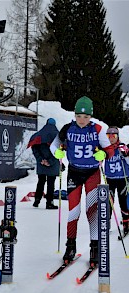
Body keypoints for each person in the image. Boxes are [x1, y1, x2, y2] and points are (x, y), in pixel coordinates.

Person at [50, 96, 114, 266]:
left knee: (91, 211)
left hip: (92, 173)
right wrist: (57, 153)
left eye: (86, 117)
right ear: (75, 114)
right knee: (74, 211)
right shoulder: (67, 129)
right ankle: (70, 246)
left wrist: (104, 154)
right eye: (79, 116)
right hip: (74, 173)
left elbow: (109, 149)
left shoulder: (98, 129)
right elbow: (53, 145)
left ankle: (95, 247)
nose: (82, 120)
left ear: (91, 116)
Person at [27, 118, 59, 209]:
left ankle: (37, 200)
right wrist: (50, 161)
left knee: (40, 182)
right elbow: (58, 151)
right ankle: (49, 202)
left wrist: (41, 159)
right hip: (52, 165)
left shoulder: (39, 135)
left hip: (41, 164)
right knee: (51, 183)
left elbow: (34, 148)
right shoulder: (57, 136)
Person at [103, 126, 129, 235]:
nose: (111, 138)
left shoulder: (122, 147)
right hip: (110, 178)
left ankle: (126, 222)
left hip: (123, 178)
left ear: (117, 136)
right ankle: (106, 223)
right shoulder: (105, 147)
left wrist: (126, 155)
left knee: (124, 201)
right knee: (109, 202)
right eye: (109, 135)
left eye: (113, 135)